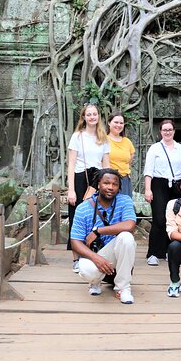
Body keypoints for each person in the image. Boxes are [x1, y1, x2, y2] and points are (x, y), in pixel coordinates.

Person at [69, 168, 137, 304]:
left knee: (126, 237)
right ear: (99, 184)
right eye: (106, 183)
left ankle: (123, 288)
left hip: (116, 256)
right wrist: (96, 258)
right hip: (95, 256)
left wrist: (98, 231)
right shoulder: (83, 208)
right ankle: (95, 282)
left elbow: (130, 225)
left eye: (115, 184)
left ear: (119, 187)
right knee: (85, 268)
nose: (110, 187)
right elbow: (75, 241)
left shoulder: (125, 201)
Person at [67, 104, 110, 272]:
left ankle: (95, 252)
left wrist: (109, 183)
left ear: (99, 116)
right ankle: (76, 258)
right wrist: (71, 189)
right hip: (80, 178)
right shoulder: (77, 136)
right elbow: (71, 164)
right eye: (89, 114)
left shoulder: (103, 138)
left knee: (96, 215)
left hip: (97, 179)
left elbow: (106, 164)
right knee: (77, 215)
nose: (92, 117)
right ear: (84, 117)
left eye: (95, 114)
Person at [143, 119, 181, 266]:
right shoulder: (154, 148)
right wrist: (148, 189)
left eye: (170, 129)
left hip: (176, 185)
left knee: (174, 219)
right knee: (159, 218)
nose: (167, 132)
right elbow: (148, 171)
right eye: (164, 130)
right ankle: (154, 252)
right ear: (160, 132)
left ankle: (170, 251)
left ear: (174, 131)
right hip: (159, 184)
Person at [107, 112, 135, 197]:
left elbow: (131, 156)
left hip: (125, 180)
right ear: (109, 123)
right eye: (116, 122)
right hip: (109, 180)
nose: (118, 125)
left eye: (121, 123)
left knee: (125, 207)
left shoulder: (127, 141)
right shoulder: (103, 140)